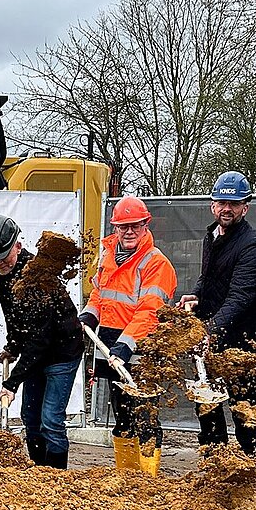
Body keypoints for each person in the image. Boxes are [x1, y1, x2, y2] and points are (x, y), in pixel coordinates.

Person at [79, 197, 177, 474]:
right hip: (110, 344)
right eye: (123, 227)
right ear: (116, 228)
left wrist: (126, 346)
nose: (129, 231)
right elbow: (100, 294)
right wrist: (90, 313)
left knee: (145, 416)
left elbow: (150, 311)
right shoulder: (108, 255)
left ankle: (147, 478)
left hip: (143, 349)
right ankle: (127, 476)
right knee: (122, 416)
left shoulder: (156, 263)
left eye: (135, 225)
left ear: (146, 225)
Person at [179, 171, 256, 455]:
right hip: (213, 340)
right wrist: (196, 294)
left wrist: (208, 329)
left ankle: (251, 469)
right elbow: (208, 278)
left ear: (246, 206)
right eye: (222, 202)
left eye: (234, 203)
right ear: (212, 205)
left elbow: (240, 297)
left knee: (243, 411)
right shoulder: (212, 236)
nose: (227, 209)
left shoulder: (254, 246)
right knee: (207, 409)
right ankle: (214, 467)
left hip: (244, 344)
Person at [0, 215, 84, 469]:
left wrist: (12, 382)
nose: (0, 265)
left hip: (61, 352)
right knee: (30, 417)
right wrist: (12, 345)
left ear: (17, 246)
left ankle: (57, 477)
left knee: (50, 419)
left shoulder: (39, 277)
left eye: (4, 257)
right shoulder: (2, 275)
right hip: (35, 354)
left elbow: (40, 338)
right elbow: (14, 319)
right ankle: (38, 473)